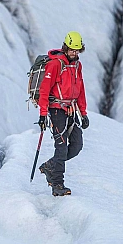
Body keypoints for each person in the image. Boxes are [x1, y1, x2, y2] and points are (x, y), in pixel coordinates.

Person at [37, 31, 90, 196]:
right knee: (61, 148)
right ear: (66, 47)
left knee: (76, 145)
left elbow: (80, 90)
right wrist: (43, 114)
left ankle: (50, 166)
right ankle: (57, 185)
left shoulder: (77, 66)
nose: (75, 53)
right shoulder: (56, 64)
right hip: (56, 111)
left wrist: (83, 113)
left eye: (77, 50)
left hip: (71, 110)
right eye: (72, 50)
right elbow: (44, 90)